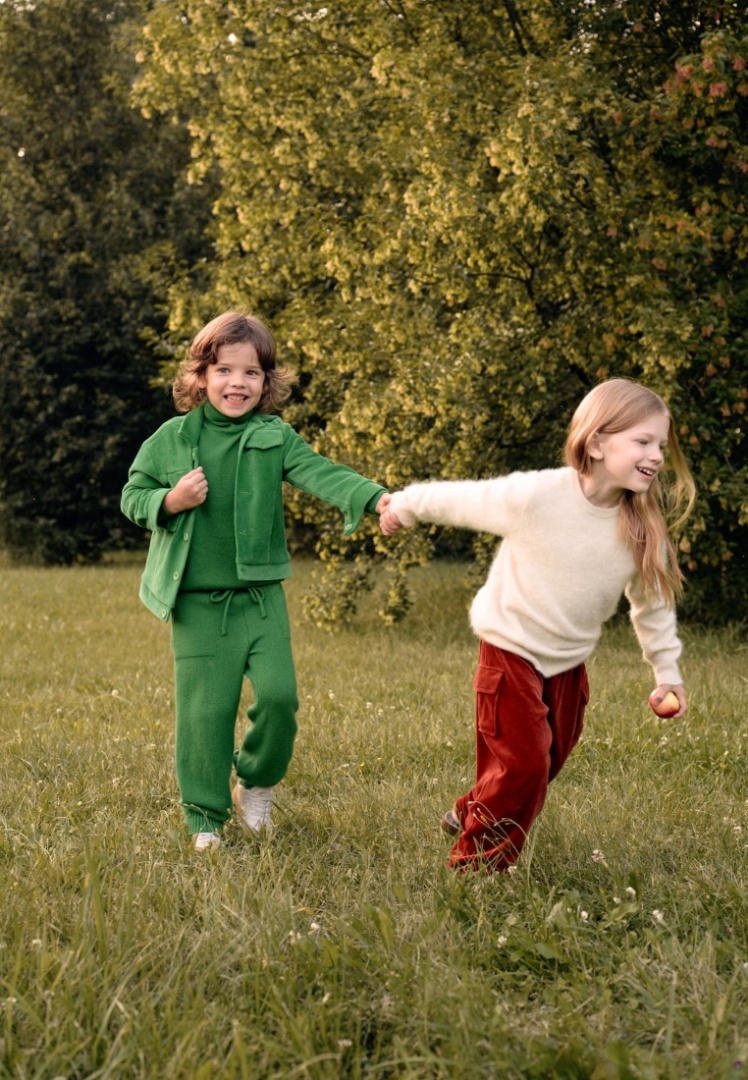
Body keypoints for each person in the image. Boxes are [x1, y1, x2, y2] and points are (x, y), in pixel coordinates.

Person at [380, 379, 696, 872]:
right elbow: (465, 499)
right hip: (510, 648)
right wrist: (405, 505)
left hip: (568, 661)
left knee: (547, 760)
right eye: (642, 441)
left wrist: (666, 672)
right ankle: (478, 869)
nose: (656, 455)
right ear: (596, 443)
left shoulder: (640, 528)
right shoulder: (541, 495)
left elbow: (652, 606)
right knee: (525, 763)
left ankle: (470, 809)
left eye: (660, 444)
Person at [122, 311, 389, 852]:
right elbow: (132, 495)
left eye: (251, 372)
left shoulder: (274, 436)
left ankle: (256, 784)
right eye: (224, 370)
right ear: (201, 376)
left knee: (280, 697)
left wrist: (375, 498)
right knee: (206, 713)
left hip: (261, 597)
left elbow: (322, 472)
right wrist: (170, 500)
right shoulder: (171, 438)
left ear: (267, 381)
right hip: (197, 603)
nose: (237, 383)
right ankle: (205, 820)